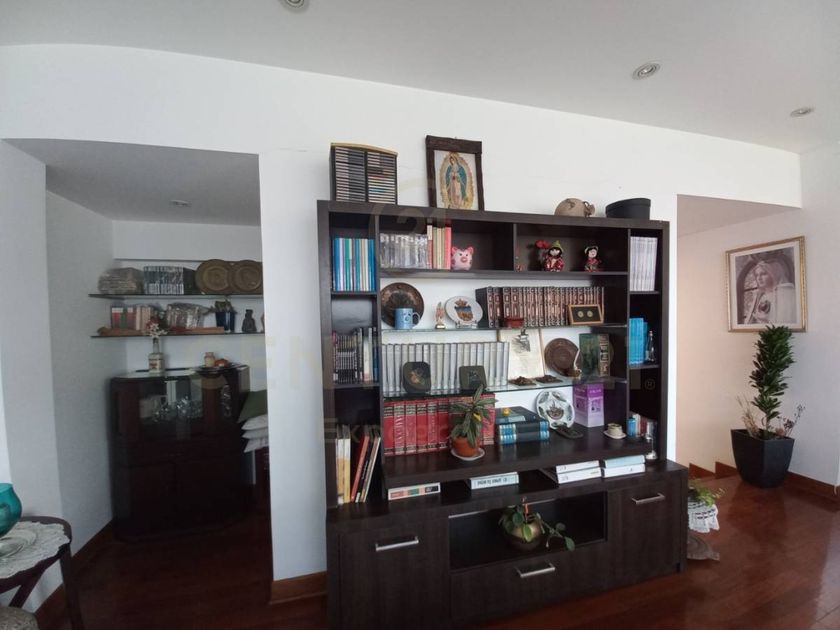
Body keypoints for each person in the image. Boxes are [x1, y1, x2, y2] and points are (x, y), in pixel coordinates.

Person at [743, 259, 797, 325]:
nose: (759, 278)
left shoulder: (786, 294)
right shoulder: (762, 296)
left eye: (763, 274)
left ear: (773, 274)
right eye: (757, 275)